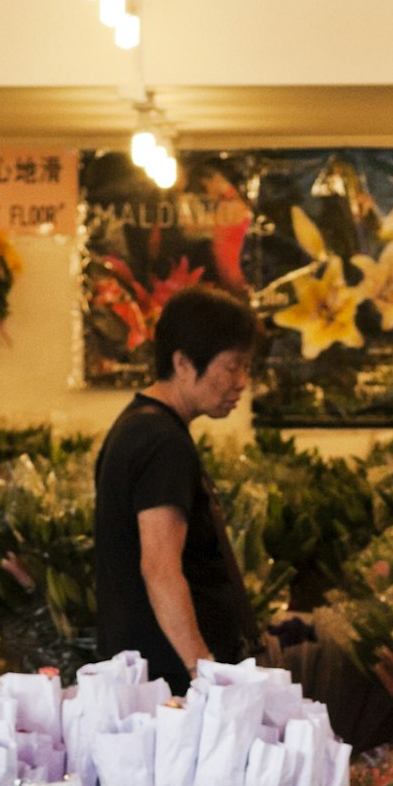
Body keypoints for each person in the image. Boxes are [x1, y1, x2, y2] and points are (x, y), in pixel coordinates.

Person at [92, 286, 263, 693]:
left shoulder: (140, 427)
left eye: (246, 368)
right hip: (168, 682)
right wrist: (203, 672)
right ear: (183, 362)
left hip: (151, 674)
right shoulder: (161, 442)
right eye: (232, 367)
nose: (242, 382)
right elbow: (161, 568)